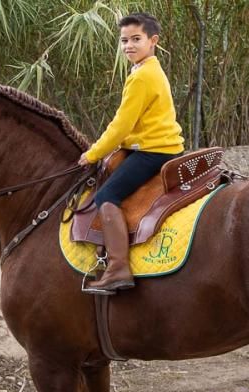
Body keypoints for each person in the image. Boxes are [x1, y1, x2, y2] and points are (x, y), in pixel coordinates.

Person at [79, 12, 185, 294]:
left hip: (153, 152)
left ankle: (117, 268)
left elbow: (121, 125)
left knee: (106, 196)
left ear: (153, 41)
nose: (128, 46)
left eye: (136, 39)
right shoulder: (148, 69)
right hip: (162, 145)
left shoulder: (142, 77)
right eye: (124, 40)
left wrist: (93, 153)